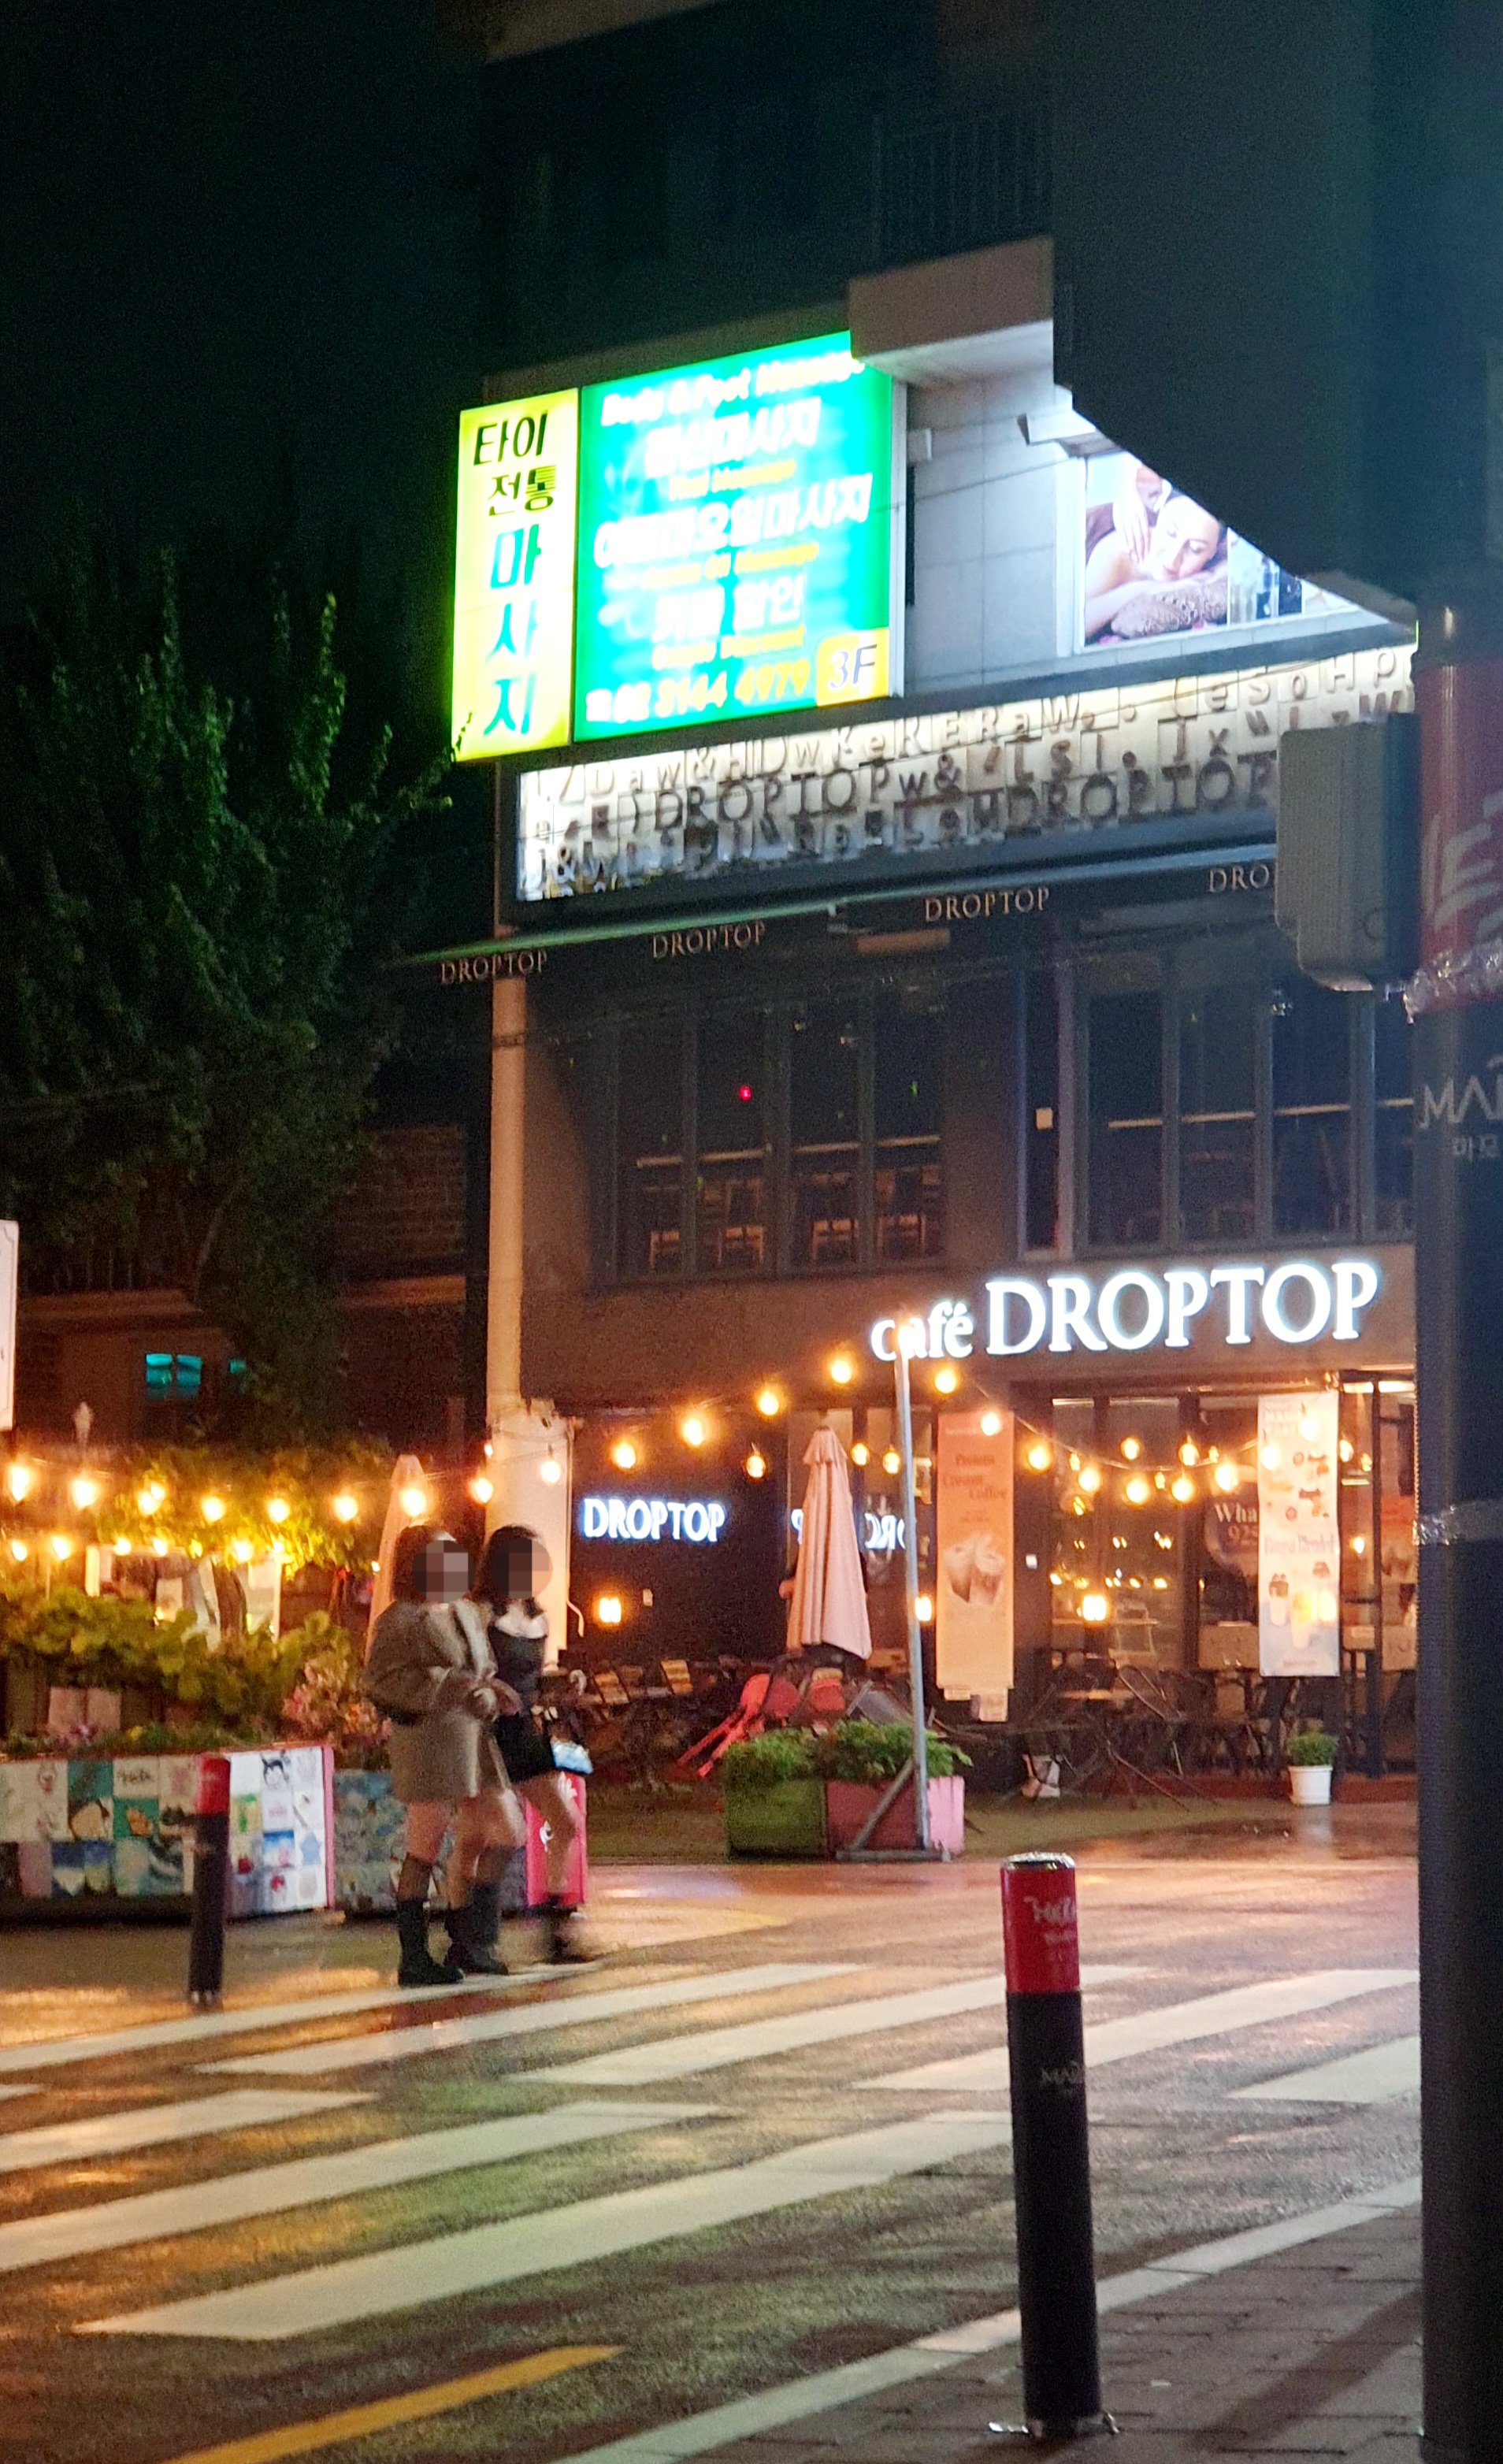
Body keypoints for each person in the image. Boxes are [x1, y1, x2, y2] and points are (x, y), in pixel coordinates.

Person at [364, 1523, 527, 1986]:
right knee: (425, 1847)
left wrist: (491, 1694)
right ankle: (414, 1954)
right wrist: (449, 1686)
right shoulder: (400, 1620)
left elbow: (483, 1668)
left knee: (508, 1830)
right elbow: (381, 1680)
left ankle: (472, 1939)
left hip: (474, 1737)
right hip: (428, 1739)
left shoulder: (465, 1612)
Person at [472, 1523, 591, 1965]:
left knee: (566, 1821)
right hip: (486, 1731)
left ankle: (555, 1928)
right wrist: (493, 1688)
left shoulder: (539, 1617)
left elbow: (536, 1679)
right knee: (491, 1835)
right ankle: (476, 1935)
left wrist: (565, 1681)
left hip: (523, 1730)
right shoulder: (482, 1614)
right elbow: (470, 1670)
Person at [1084, 459, 1227, 641]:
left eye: (1195, 549)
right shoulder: (1121, 552)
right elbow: (1076, 625)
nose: (1172, 558)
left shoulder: (1217, 561)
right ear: (1160, 515)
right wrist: (1143, 589)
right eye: (1171, 532)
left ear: (1213, 552)